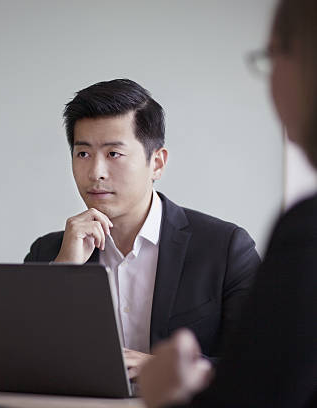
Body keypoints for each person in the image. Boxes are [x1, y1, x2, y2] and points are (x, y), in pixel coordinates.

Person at [138, 0, 317, 406]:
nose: (96, 171)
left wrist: (169, 391)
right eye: (82, 153)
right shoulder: (54, 249)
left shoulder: (290, 233)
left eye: (272, 57)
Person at [24, 79, 261, 378]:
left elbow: (263, 366)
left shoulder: (225, 249)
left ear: (157, 163)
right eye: (83, 153)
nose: (95, 172)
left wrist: (165, 369)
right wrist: (62, 273)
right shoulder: (48, 252)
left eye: (113, 154)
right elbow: (23, 363)